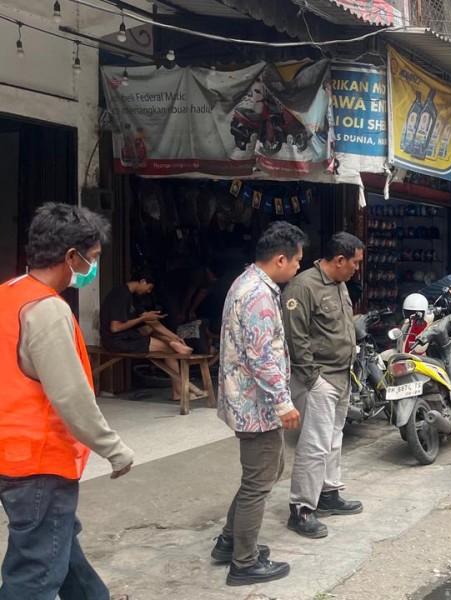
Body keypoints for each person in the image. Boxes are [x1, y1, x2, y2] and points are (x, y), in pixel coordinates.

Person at [0, 203, 134, 599]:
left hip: (11, 454)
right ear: (70, 256)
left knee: (59, 544)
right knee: (36, 574)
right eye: (91, 259)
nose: (92, 269)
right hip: (39, 461)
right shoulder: (48, 310)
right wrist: (114, 449)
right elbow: (70, 395)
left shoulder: (9, 294)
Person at [214, 221, 306, 586]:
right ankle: (244, 563)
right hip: (257, 406)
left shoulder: (248, 283)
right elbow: (262, 356)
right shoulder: (258, 295)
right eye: (297, 261)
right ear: (280, 259)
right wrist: (284, 403)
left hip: (251, 402)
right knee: (259, 481)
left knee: (263, 474)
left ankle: (229, 541)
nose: (299, 267)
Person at [282, 232, 365, 539]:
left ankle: (328, 494)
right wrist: (312, 379)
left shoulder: (339, 284)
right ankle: (301, 510)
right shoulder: (303, 286)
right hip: (319, 379)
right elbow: (296, 337)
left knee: (333, 439)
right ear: (340, 259)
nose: (357, 268)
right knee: (314, 445)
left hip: (341, 375)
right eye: (355, 262)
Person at [100, 268, 206, 402]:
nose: (149, 291)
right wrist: (141, 319)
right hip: (116, 341)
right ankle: (181, 390)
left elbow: (152, 323)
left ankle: (172, 343)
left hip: (128, 336)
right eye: (149, 287)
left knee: (151, 330)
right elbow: (115, 328)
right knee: (170, 350)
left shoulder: (133, 297)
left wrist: (175, 337)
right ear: (143, 282)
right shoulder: (121, 294)